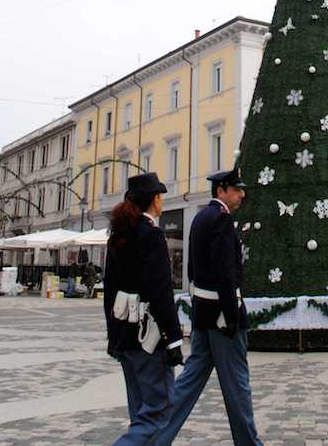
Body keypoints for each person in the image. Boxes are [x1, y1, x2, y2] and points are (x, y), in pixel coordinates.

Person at [156, 169, 262, 446]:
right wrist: (231, 316)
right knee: (237, 384)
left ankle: (158, 437)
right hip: (221, 317)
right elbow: (226, 274)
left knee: (189, 382)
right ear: (221, 191)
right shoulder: (222, 220)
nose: (242, 194)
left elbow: (192, 268)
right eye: (237, 189)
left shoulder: (202, 217)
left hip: (202, 312)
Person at [104, 172, 185, 446]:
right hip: (148, 337)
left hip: (125, 334)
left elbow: (109, 291)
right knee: (157, 413)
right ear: (154, 200)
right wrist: (173, 339)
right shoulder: (151, 235)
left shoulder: (119, 235)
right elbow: (160, 291)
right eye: (160, 196)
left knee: (139, 411)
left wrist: (113, 337)